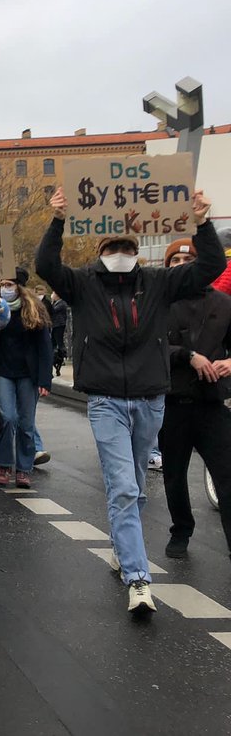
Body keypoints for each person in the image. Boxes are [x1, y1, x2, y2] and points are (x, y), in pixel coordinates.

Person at [36, 186, 222, 615]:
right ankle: (139, 580)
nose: (119, 251)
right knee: (122, 488)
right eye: (112, 246)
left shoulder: (158, 282)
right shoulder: (82, 284)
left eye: (125, 246)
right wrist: (59, 219)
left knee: (135, 486)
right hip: (105, 401)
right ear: (101, 250)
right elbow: (47, 265)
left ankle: (124, 544)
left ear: (136, 251)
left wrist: (202, 221)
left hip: (150, 399)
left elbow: (210, 265)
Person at [158, 237, 231, 562]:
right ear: (167, 268)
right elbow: (151, 347)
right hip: (173, 404)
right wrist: (187, 356)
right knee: (174, 474)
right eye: (175, 262)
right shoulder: (158, 304)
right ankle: (181, 529)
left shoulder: (223, 303)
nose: (182, 267)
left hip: (212, 404)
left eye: (188, 261)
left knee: (226, 474)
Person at [0, 268, 52, 489]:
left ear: (19, 287)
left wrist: (44, 380)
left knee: (26, 423)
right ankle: (4, 465)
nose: (6, 289)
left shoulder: (33, 310)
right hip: (2, 372)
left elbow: (44, 347)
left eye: (10, 284)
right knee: (7, 419)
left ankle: (23, 469)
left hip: (27, 375)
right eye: (3, 285)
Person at [48, 291, 69, 378]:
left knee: (59, 341)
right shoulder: (56, 303)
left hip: (59, 325)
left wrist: (51, 303)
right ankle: (54, 357)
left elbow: (53, 311)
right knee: (53, 342)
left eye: (53, 294)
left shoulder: (62, 303)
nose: (52, 295)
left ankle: (63, 357)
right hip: (55, 325)